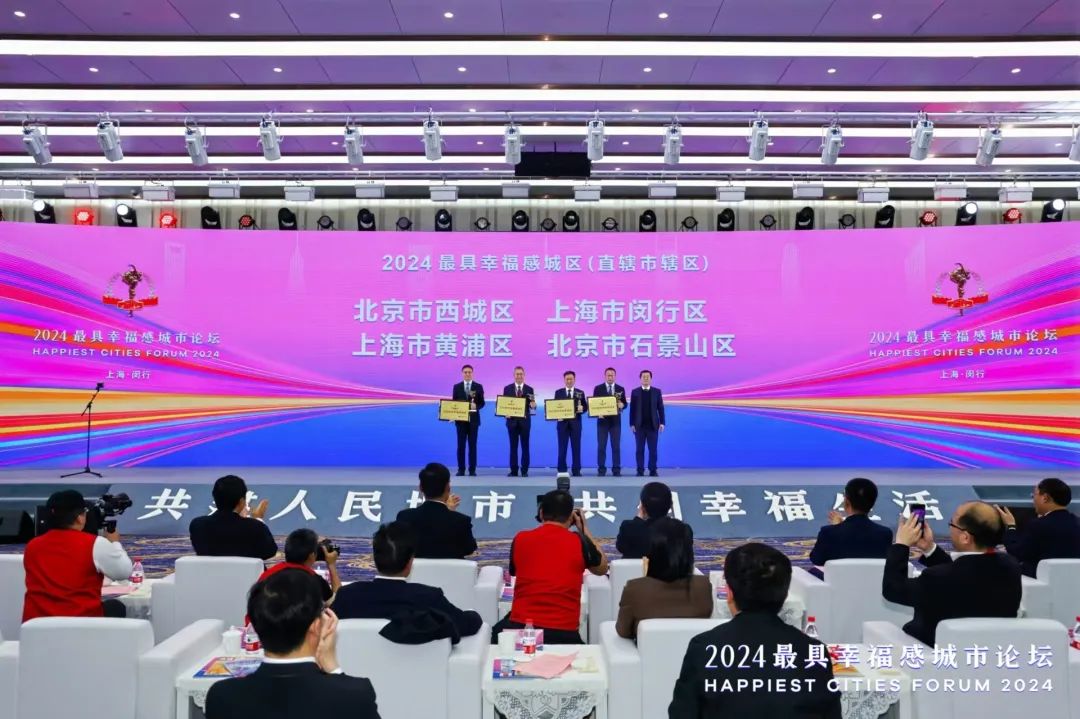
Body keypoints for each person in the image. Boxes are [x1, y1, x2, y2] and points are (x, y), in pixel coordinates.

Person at [669, 543, 841, 718]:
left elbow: (682, 713)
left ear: (729, 593)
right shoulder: (813, 652)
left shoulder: (704, 647)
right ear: (784, 593)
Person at [205, 570, 380, 719]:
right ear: (316, 626)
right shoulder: (354, 695)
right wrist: (333, 667)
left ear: (256, 626)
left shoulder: (221, 696)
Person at [882, 502, 1022, 646]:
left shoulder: (936, 578)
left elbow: (893, 589)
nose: (950, 528)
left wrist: (901, 544)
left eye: (952, 523)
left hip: (932, 650)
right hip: (992, 650)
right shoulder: (1011, 566)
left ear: (965, 537)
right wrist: (929, 549)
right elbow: (963, 572)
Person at [492, 490, 608, 644]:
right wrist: (584, 530)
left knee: (496, 632)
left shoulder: (521, 538)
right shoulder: (579, 542)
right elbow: (602, 568)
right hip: (564, 633)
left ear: (541, 513)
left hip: (523, 629)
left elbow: (514, 571)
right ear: (571, 517)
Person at [333, 522, 483, 639]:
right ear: (410, 562)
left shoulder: (347, 595)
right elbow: (465, 624)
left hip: (353, 668)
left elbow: (325, 628)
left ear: (374, 559)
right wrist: (474, 614)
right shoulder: (429, 597)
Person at [23, 489, 134, 621]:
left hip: (35, 625)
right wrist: (115, 543)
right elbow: (124, 572)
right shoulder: (94, 544)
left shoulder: (32, 546)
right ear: (80, 518)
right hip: (81, 624)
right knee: (115, 607)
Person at [615, 518, 712, 640]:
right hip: (694, 651)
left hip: (648, 651)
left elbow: (623, 631)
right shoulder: (703, 586)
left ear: (652, 552)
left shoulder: (635, 589)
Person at [807, 477, 892, 575]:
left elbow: (817, 559)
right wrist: (839, 527)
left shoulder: (829, 532)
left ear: (846, 502)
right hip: (872, 582)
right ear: (872, 503)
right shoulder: (885, 534)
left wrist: (837, 527)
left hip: (837, 583)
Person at [997, 477, 1080, 577]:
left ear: (1045, 498)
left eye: (1034, 495)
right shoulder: (1077, 522)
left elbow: (1017, 553)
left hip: (1040, 581)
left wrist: (1010, 526)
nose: (1033, 500)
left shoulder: (1038, 525)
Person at [395, 462, 477, 559]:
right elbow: (469, 549)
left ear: (421, 487)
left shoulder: (405, 517)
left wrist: (447, 512)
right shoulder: (461, 521)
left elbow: (399, 548)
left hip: (416, 569)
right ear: (448, 487)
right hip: (451, 569)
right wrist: (449, 512)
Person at [189, 474, 277, 560]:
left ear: (215, 498)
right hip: (245, 570)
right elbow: (270, 552)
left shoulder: (197, 525)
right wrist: (258, 518)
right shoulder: (255, 527)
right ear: (242, 501)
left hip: (209, 570)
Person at [256, 528, 340, 602]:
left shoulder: (268, 574)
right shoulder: (315, 581)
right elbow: (338, 601)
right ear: (312, 555)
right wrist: (331, 564)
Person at [616, 481, 677, 559]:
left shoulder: (629, 528)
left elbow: (621, 547)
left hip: (636, 567)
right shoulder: (682, 530)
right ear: (671, 505)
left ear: (642, 506)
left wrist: (637, 520)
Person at [502, 366, 536, 477]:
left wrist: (533, 405)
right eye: (517, 374)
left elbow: (532, 406)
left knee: (525, 446)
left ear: (524, 375)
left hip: (525, 422)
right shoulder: (507, 389)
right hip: (511, 422)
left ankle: (525, 470)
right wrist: (505, 413)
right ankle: (514, 470)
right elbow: (504, 405)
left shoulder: (529, 389)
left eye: (521, 374)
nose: (519, 376)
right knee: (513, 447)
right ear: (514, 375)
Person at [451, 364, 485, 476]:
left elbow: (482, 403)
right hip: (460, 421)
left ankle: (472, 470)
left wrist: (476, 406)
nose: (467, 374)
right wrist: (452, 414)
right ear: (462, 374)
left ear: (472, 373)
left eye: (469, 372)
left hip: (474, 421)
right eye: (465, 372)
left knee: (472, 445)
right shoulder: (457, 387)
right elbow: (454, 404)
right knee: (461, 446)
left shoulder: (478, 386)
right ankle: (461, 469)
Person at [629, 370, 665, 477]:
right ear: (640, 378)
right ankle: (640, 470)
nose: (645, 378)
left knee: (653, 450)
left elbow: (660, 408)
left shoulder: (657, 391)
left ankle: (653, 470)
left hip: (653, 426)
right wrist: (631, 424)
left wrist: (662, 423)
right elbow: (632, 409)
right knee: (639, 450)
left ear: (651, 378)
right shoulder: (635, 392)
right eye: (643, 376)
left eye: (647, 376)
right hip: (639, 426)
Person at [593, 367, 626, 477]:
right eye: (608, 375)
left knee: (616, 446)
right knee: (601, 446)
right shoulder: (598, 388)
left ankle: (616, 469)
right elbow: (594, 404)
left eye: (612, 375)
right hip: (602, 422)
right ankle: (601, 469)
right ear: (605, 376)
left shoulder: (620, 388)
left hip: (615, 422)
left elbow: (625, 403)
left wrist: (623, 405)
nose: (610, 377)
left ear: (615, 376)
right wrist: (597, 413)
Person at [554, 370, 588, 476]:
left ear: (574, 379)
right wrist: (556, 415)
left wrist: (582, 408)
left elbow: (585, 407)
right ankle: (561, 469)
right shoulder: (558, 392)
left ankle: (576, 470)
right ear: (564, 380)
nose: (569, 381)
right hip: (562, 424)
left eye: (571, 379)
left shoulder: (580, 392)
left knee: (576, 447)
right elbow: (554, 407)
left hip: (576, 424)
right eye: (567, 379)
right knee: (562, 447)